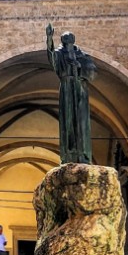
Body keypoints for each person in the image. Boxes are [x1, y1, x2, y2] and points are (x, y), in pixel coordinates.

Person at [46, 24, 97, 165]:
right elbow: (51, 56)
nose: (68, 41)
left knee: (81, 121)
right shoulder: (59, 53)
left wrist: (79, 67)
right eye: (65, 39)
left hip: (80, 87)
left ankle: (83, 154)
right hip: (67, 86)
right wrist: (49, 38)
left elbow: (92, 70)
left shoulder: (82, 55)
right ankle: (69, 154)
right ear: (63, 41)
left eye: (69, 39)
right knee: (68, 121)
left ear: (73, 41)